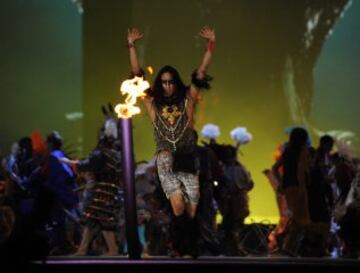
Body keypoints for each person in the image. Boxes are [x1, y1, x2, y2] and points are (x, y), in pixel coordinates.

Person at [127, 26, 215, 257]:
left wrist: (210, 46)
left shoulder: (188, 100)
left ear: (176, 82)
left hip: (187, 157)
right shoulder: (153, 103)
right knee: (177, 207)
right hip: (166, 157)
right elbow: (137, 76)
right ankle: (182, 248)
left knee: (191, 211)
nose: (167, 85)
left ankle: (190, 248)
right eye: (163, 82)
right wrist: (131, 46)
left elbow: (202, 72)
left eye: (170, 82)